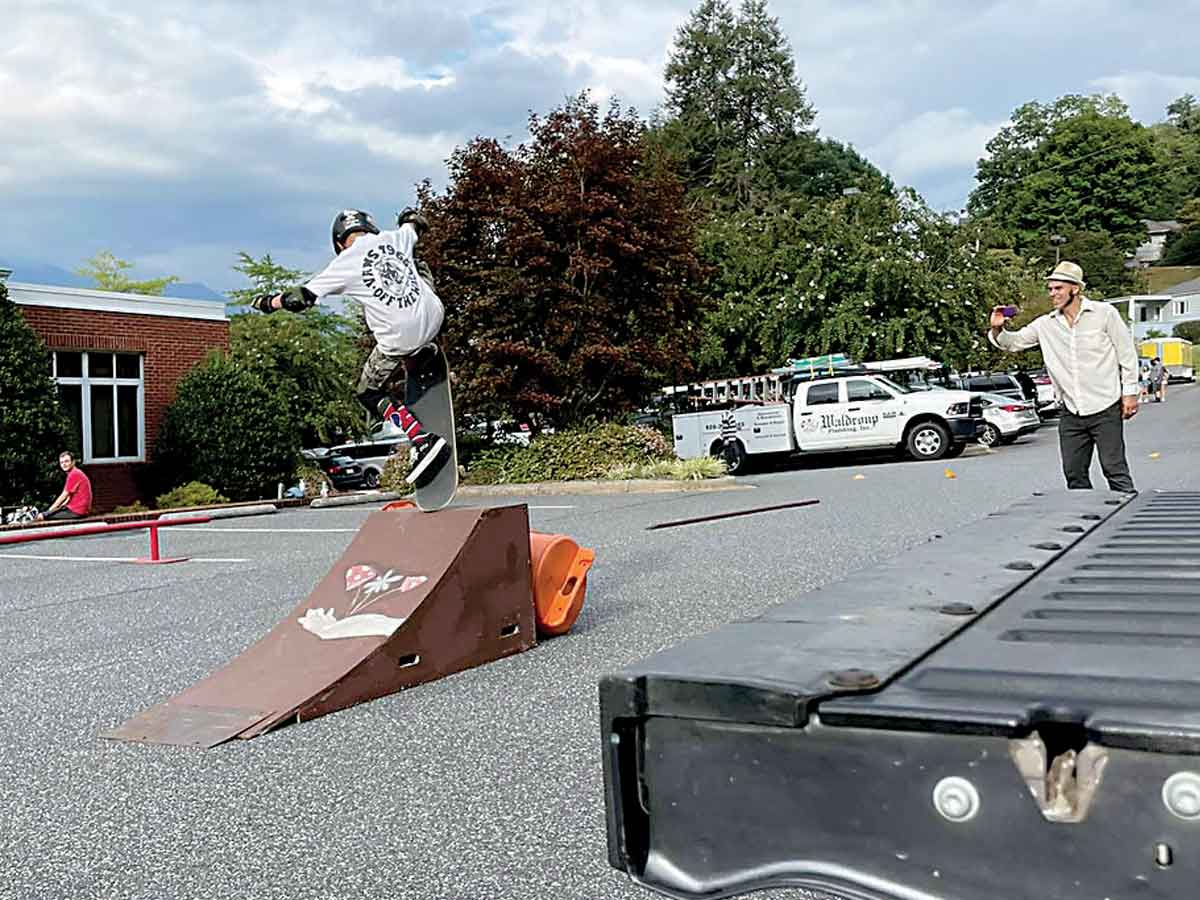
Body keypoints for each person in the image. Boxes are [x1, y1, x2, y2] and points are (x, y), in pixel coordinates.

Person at [251, 209, 448, 487]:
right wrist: (409, 217)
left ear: (340, 243)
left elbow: (300, 298)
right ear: (371, 229)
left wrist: (268, 303)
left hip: (402, 336)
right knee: (417, 264)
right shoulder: (395, 237)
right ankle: (422, 351)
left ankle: (421, 440)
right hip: (435, 315)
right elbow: (415, 225)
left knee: (367, 392)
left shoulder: (345, 262)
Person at [988, 261, 1138, 493]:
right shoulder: (1045, 324)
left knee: (1114, 469)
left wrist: (1130, 393)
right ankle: (1087, 522)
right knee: (1074, 474)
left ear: (1075, 289)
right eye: (1050, 289)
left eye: (1058, 288)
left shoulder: (1104, 314)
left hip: (1105, 406)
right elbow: (1014, 343)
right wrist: (998, 329)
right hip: (1071, 412)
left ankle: (1129, 523)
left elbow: (1126, 354)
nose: (1052, 294)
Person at [38, 451, 93, 520]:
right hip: (76, 509)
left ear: (73, 462)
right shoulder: (74, 473)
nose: (64, 464)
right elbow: (69, 497)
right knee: (46, 514)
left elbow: (64, 495)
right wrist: (58, 508)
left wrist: (49, 511)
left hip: (77, 511)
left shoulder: (74, 474)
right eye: (62, 462)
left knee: (42, 516)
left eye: (66, 461)